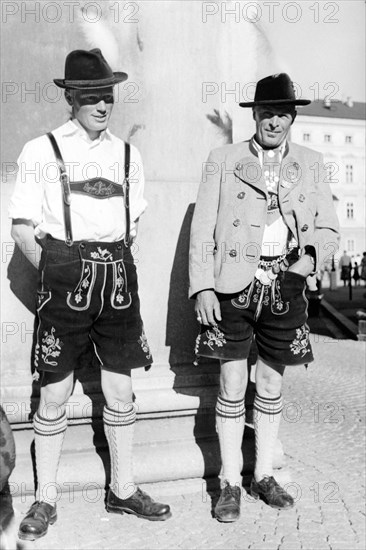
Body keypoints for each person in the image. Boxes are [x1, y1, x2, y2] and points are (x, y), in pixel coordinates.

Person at [9, 49, 171, 541]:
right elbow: (21, 231)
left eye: (109, 95)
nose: (103, 104)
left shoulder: (127, 154)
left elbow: (134, 222)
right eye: (93, 96)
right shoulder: (42, 150)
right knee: (55, 391)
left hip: (119, 278)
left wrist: (111, 266)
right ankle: (46, 498)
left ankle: (122, 489)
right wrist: (61, 273)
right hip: (66, 278)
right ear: (71, 97)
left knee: (120, 388)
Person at [189, 73, 340, 522]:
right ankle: (230, 482)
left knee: (272, 385)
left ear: (293, 117)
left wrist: (303, 267)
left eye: (283, 113)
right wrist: (201, 286)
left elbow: (329, 230)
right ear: (254, 114)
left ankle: (265, 474)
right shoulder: (223, 159)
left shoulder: (311, 163)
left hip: (284, 286)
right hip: (232, 287)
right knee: (232, 385)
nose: (275, 121)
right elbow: (202, 229)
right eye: (267, 112)